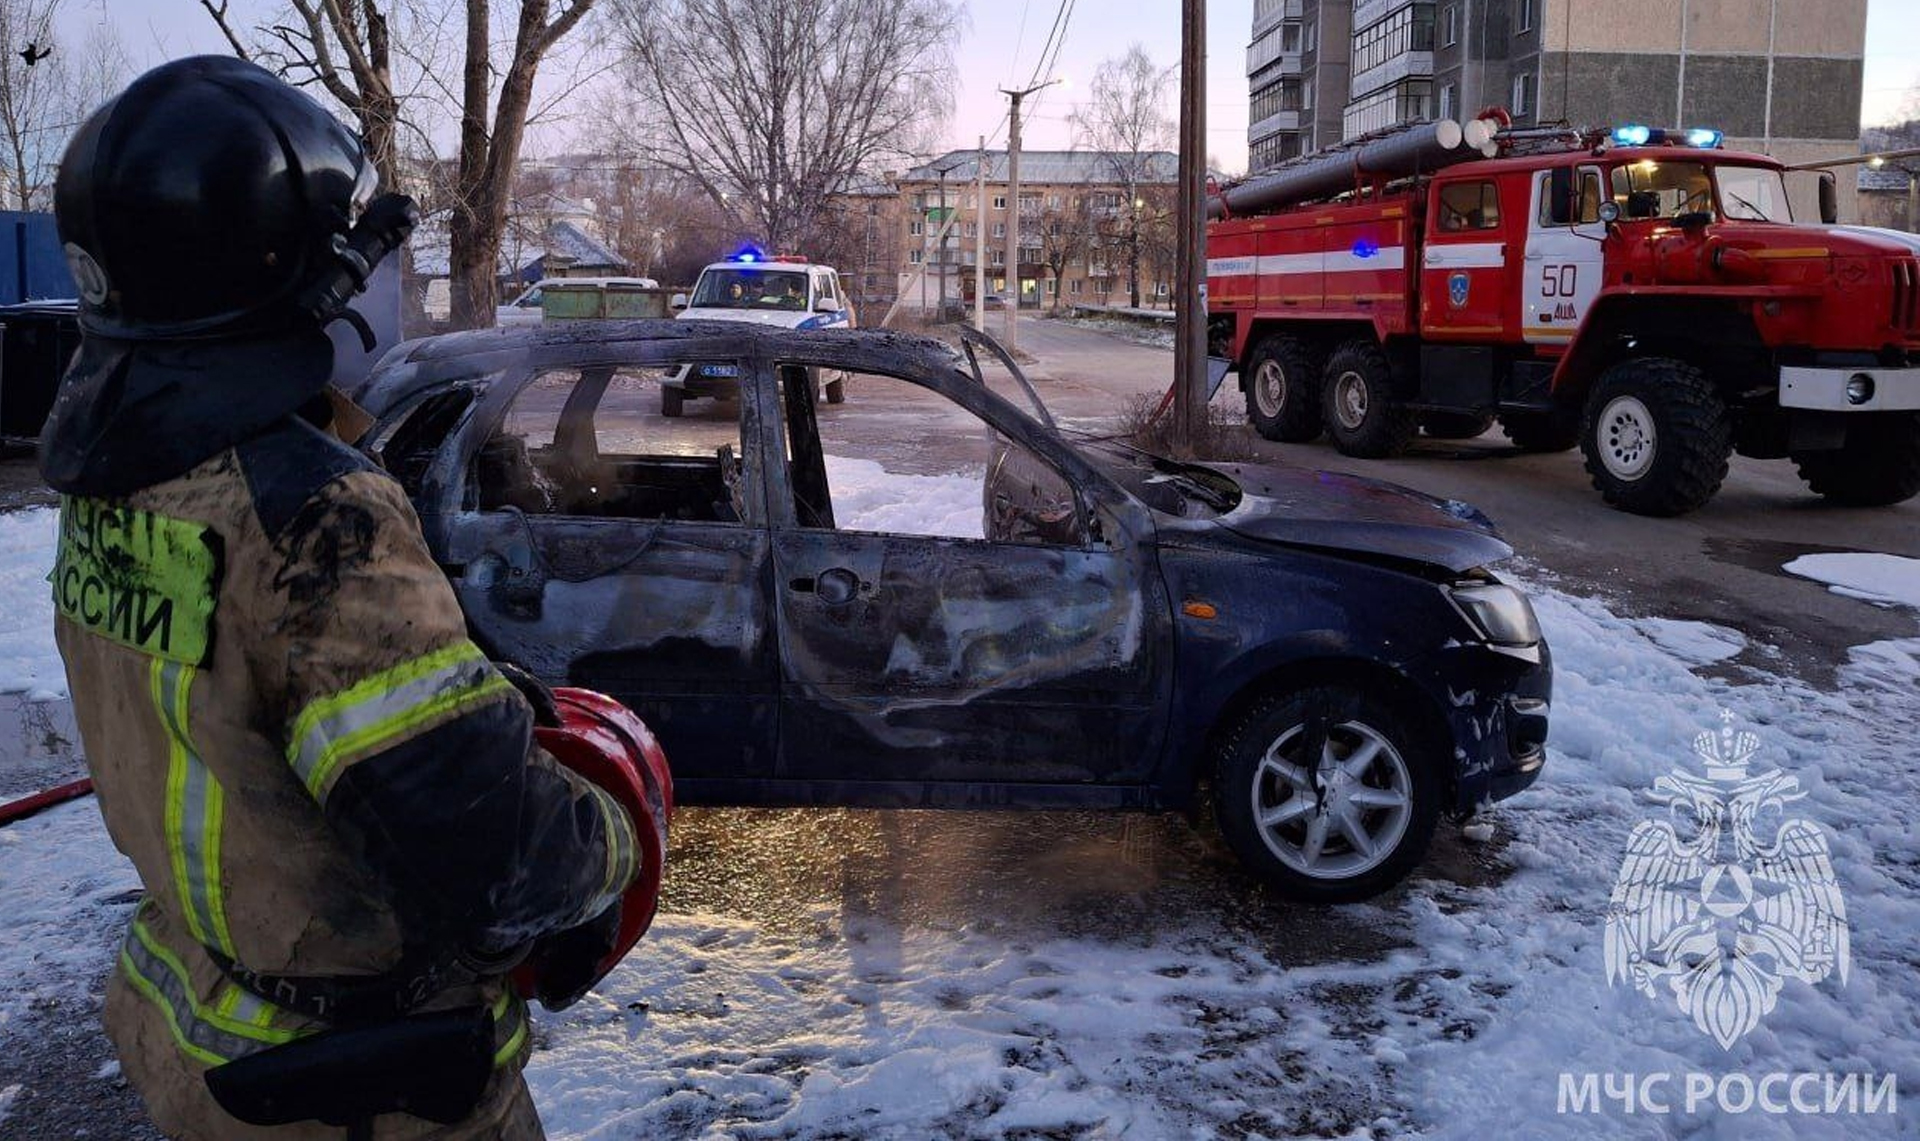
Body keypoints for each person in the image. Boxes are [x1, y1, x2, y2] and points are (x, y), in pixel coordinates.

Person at [40, 57, 639, 1139]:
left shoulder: (121, 475)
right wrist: (618, 838)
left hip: (208, 1038)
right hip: (365, 1091)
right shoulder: (316, 523)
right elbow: (503, 859)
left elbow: (244, 700)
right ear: (273, 264)